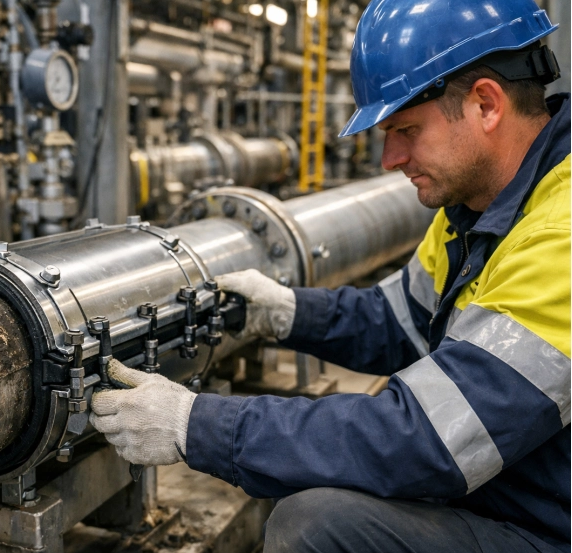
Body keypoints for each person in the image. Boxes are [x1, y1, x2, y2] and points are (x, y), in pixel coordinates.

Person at [90, 1, 570, 551]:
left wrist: (196, 425)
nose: (390, 157)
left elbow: (426, 440)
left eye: (406, 129)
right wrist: (288, 311)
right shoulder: (478, 209)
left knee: (317, 526)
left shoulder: (562, 233)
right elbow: (399, 322)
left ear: (486, 103)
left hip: (551, 525)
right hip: (512, 489)